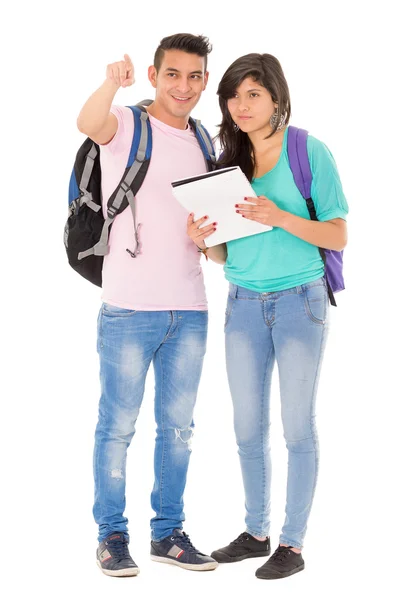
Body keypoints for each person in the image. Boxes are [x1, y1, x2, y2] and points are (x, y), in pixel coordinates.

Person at [187, 53, 348, 579]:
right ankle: (257, 533)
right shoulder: (227, 161)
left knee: (297, 427)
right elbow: (226, 255)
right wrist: (203, 242)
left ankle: (293, 544)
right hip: (243, 305)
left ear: (276, 97)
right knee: (246, 427)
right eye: (234, 96)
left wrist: (279, 215)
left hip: (301, 301)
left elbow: (338, 234)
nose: (241, 106)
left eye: (253, 94)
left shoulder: (307, 150)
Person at [77, 33, 220, 577]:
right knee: (117, 427)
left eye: (194, 76)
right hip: (129, 309)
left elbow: (210, 233)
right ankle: (112, 536)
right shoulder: (127, 125)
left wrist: (205, 238)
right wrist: (111, 83)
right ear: (157, 76)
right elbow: (88, 124)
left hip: (190, 309)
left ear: (204, 80)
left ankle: (169, 534)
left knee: (179, 429)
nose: (183, 86)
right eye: (172, 74)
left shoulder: (206, 140)